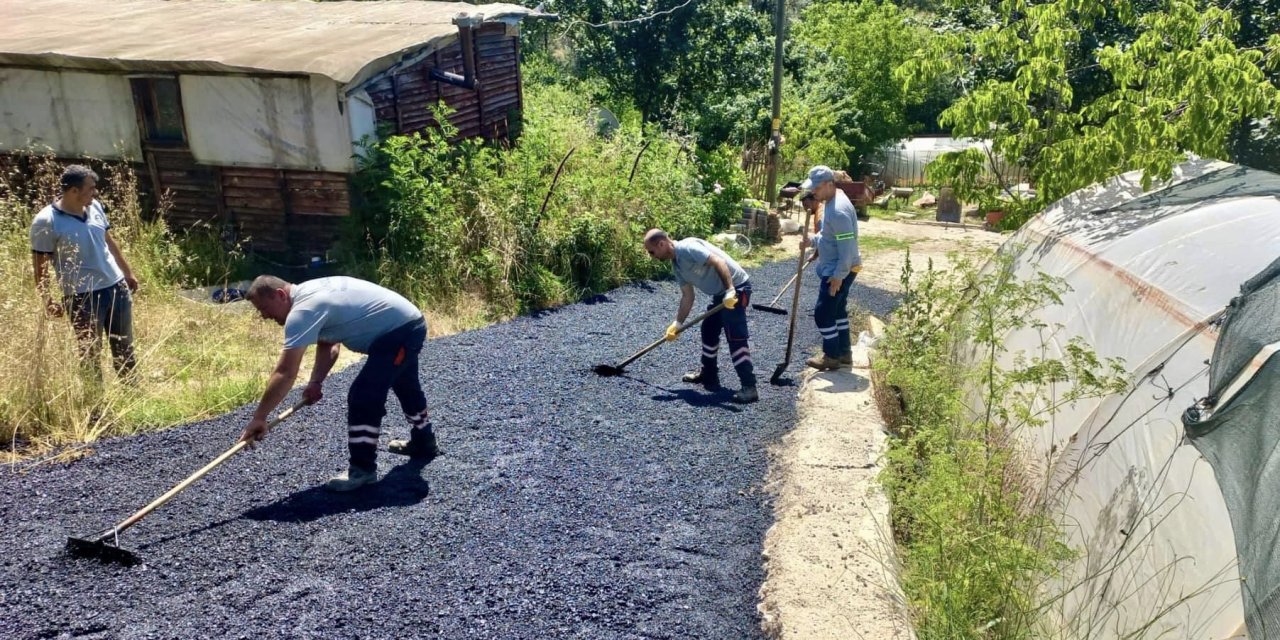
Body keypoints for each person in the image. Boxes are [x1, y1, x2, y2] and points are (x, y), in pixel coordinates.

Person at [239, 275, 437, 492]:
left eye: (265, 308)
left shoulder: (302, 311)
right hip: (407, 324)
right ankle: (424, 441)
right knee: (405, 385)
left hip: (399, 333)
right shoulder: (309, 292)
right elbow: (329, 343)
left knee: (363, 396)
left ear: (280, 295)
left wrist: (259, 417)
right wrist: (316, 381)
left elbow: (285, 372)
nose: (264, 316)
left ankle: (363, 470)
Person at [30, 164, 139, 382]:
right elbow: (40, 265)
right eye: (90, 188)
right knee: (90, 352)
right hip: (82, 297)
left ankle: (132, 395)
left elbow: (108, 240)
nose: (95, 192)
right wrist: (47, 300)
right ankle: (95, 405)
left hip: (115, 287)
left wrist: (127, 272)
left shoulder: (95, 207)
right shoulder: (46, 222)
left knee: (124, 345)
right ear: (73, 191)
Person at [643, 229, 758, 404]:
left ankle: (749, 387)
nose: (652, 256)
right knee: (709, 329)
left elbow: (718, 262)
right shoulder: (677, 264)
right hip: (722, 294)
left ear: (661, 244)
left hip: (737, 287)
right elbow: (688, 296)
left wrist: (730, 291)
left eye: (652, 251)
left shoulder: (688, 248)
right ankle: (709, 375)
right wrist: (678, 323)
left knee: (735, 336)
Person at [798, 166, 862, 371]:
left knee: (823, 313)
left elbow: (847, 247)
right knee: (837, 311)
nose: (813, 192)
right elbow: (828, 236)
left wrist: (838, 276)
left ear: (829, 184)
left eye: (816, 188)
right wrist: (812, 241)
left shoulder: (839, 211)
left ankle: (831, 356)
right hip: (842, 267)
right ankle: (844, 353)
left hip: (839, 269)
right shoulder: (833, 201)